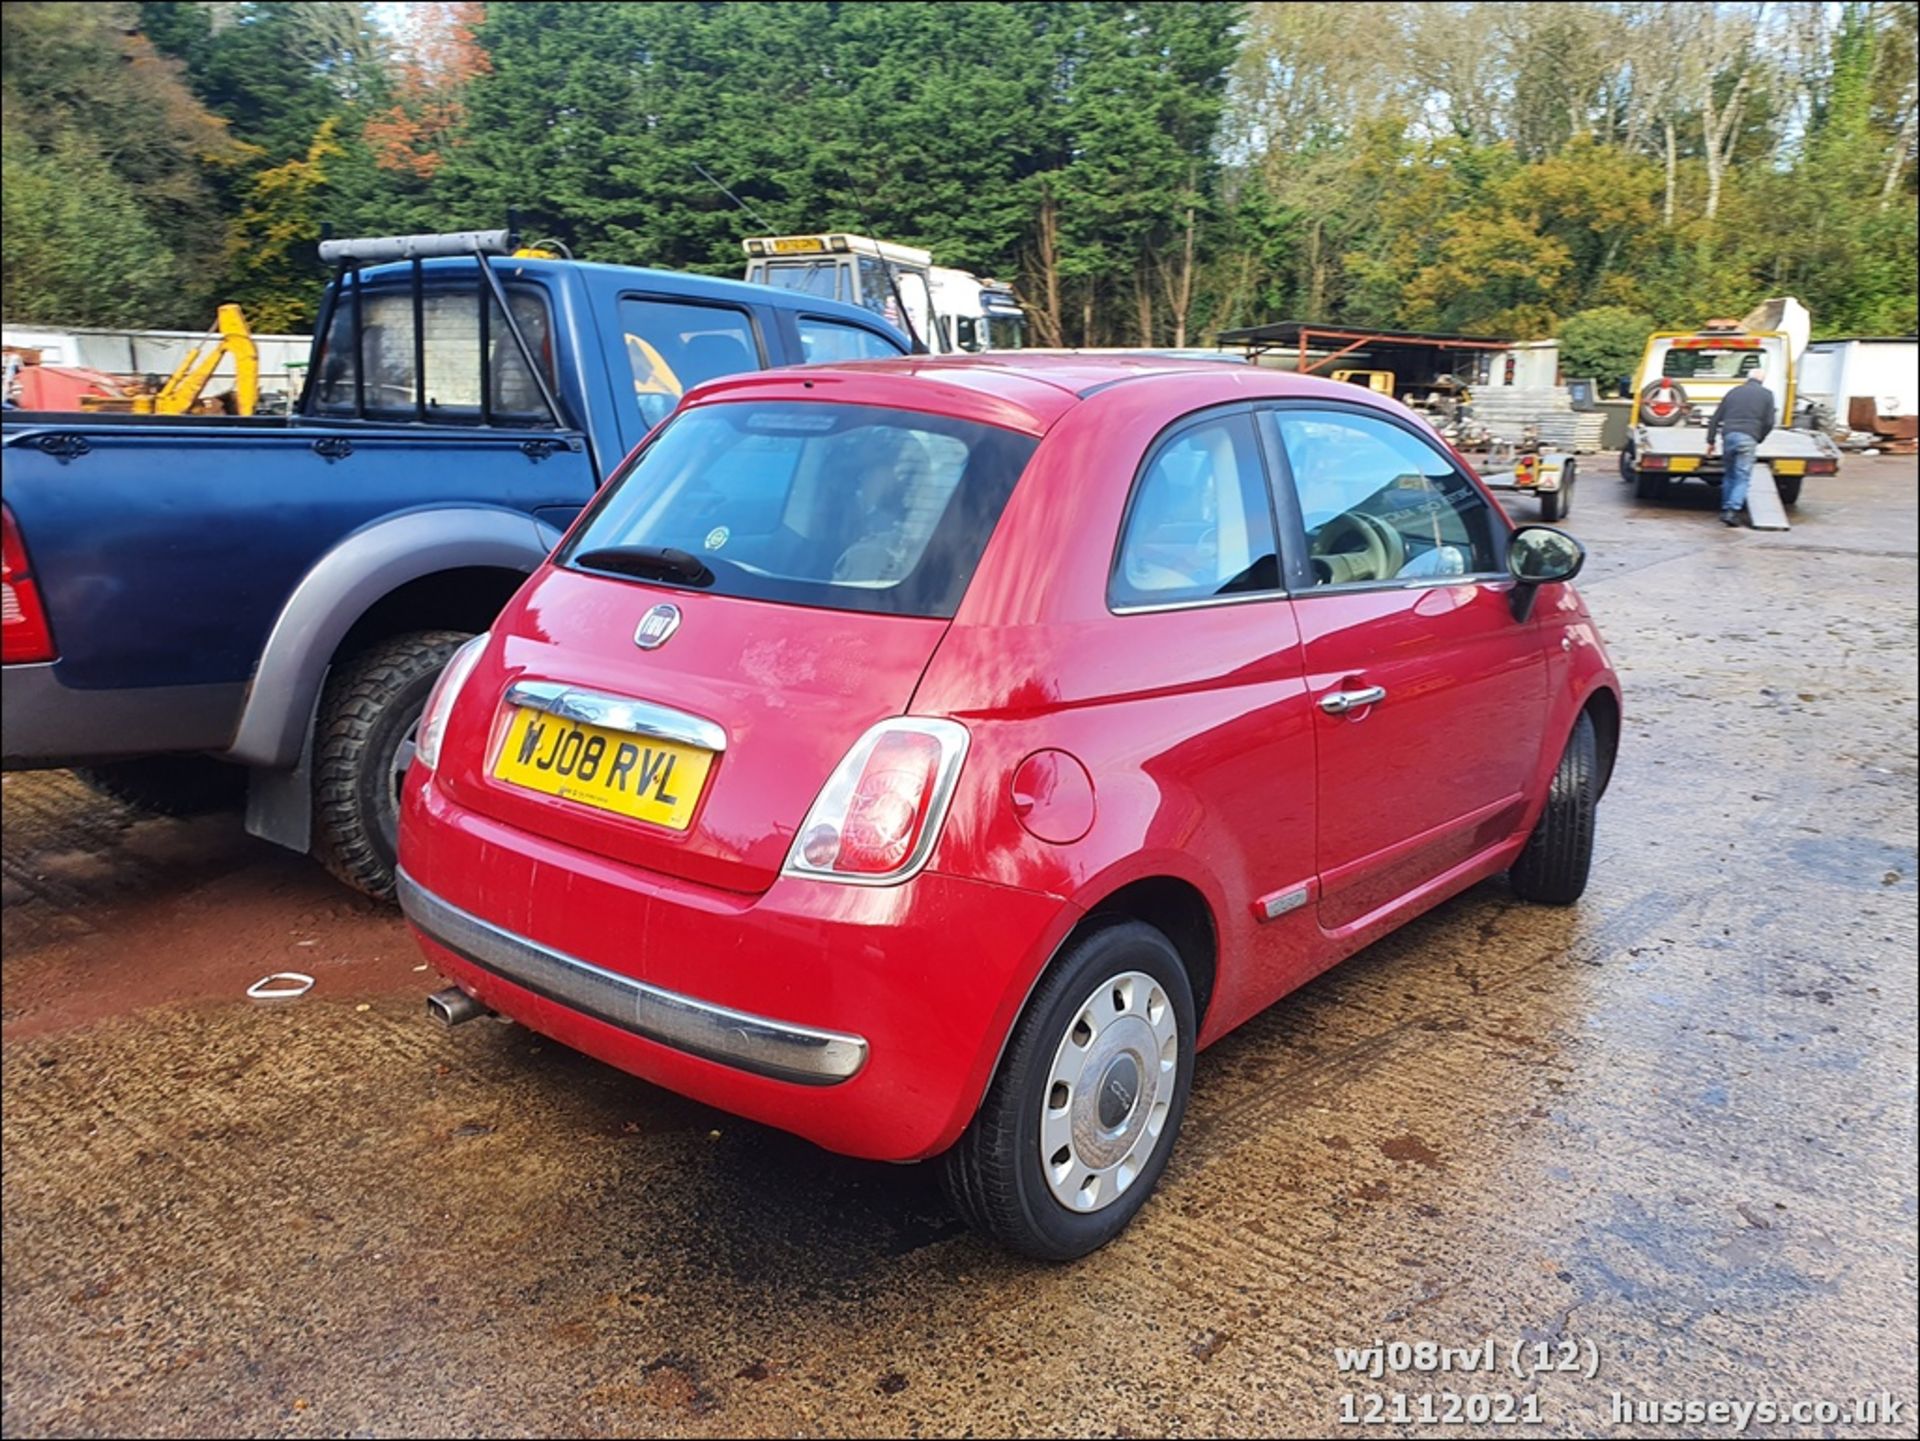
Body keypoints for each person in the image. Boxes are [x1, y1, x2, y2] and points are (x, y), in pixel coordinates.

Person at [1705, 362, 1777, 528]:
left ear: (1747, 378)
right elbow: (1769, 422)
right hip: (1748, 436)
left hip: (1729, 436)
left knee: (1729, 474)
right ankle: (1732, 510)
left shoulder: (1733, 392)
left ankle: (1725, 508)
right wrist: (1759, 437)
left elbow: (1715, 418)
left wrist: (1711, 441)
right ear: (1762, 380)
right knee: (1742, 476)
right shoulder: (1767, 395)